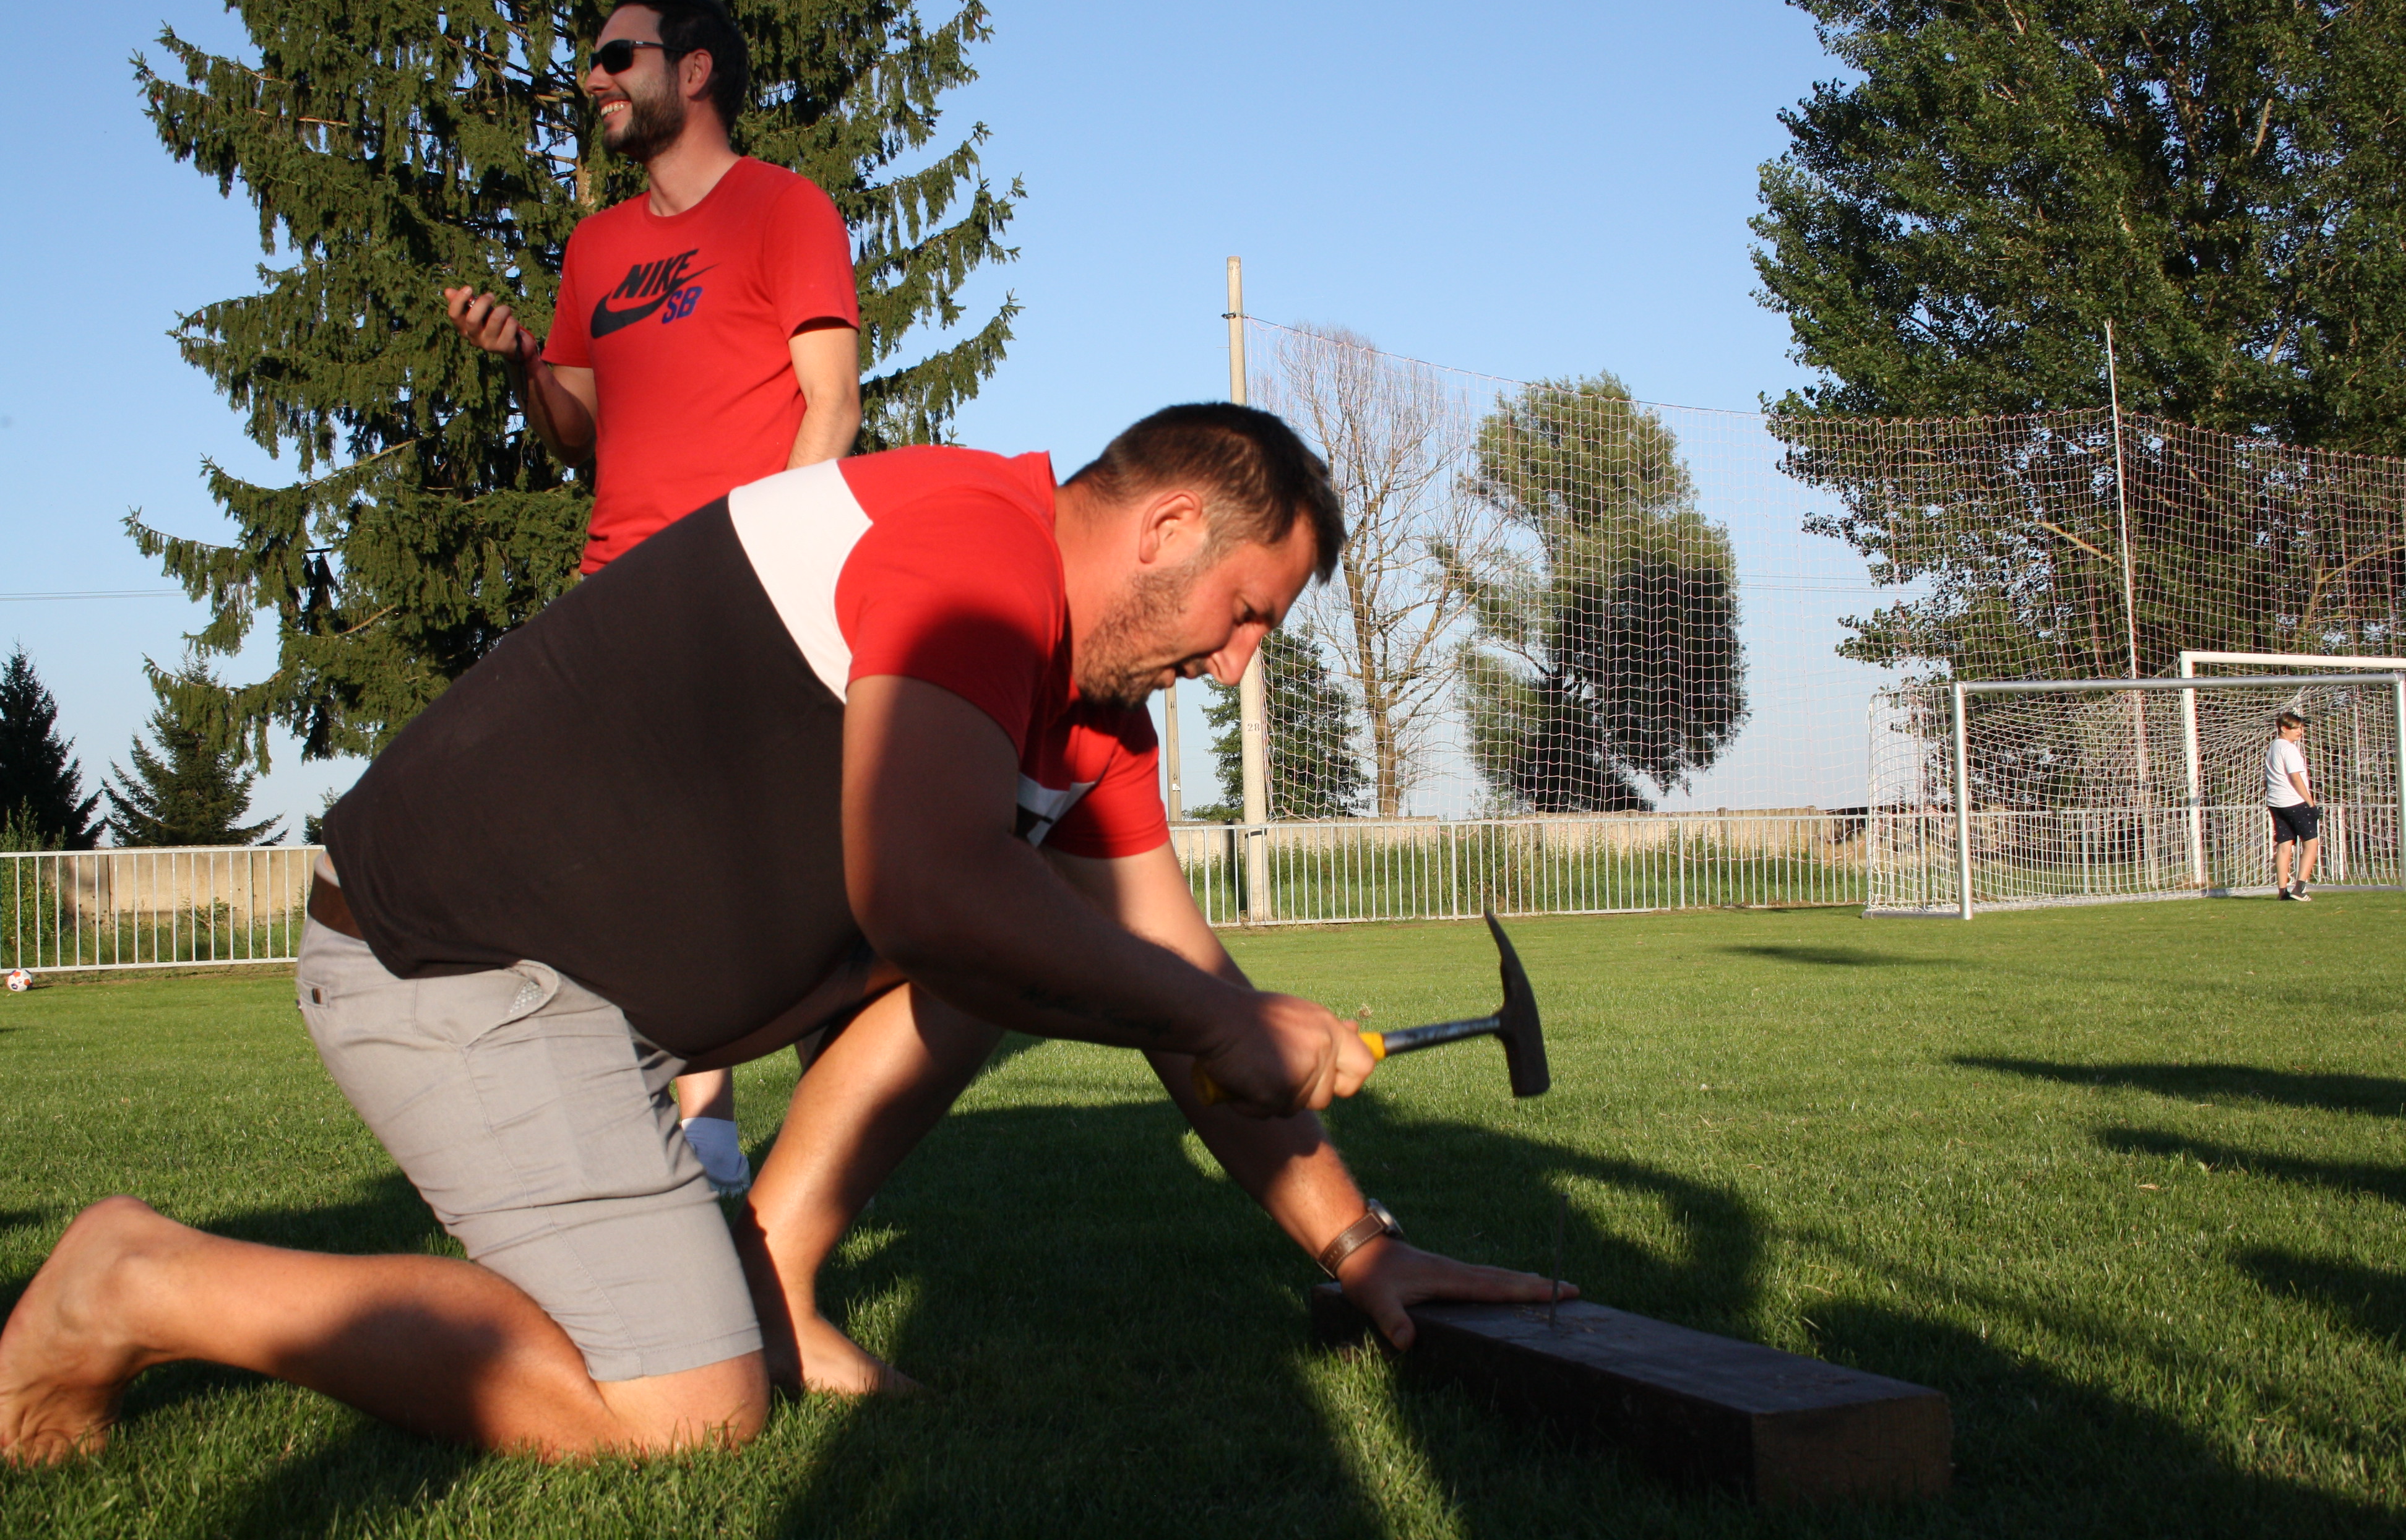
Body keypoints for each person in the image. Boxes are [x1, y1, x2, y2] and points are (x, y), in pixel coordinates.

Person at [0, 405, 1565, 1462]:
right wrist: (1208, 1014)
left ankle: (780, 1283)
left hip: (598, 997)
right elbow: (927, 892)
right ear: (1162, 525)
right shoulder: (972, 552)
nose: (1233, 670)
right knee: (682, 1411)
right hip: (452, 957)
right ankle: (137, 1285)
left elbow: (1182, 987)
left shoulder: (1087, 723)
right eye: (1243, 613)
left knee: (1036, 956)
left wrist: (1361, 1245)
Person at [444, 0, 865, 1195]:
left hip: (743, 573)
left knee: (745, 856)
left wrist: (765, 557)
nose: (593, 79)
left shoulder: (786, 210)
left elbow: (830, 402)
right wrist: (527, 357)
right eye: (590, 62)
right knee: (621, 852)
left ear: (694, 70)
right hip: (614, 585)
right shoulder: (596, 248)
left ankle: (742, 1120)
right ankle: (683, 1132)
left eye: (615, 57)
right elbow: (577, 433)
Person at [2266, 711, 2319, 901]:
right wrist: (2311, 803)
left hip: (2276, 802)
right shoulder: (2289, 749)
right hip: (2294, 801)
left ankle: (2282, 892)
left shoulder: (2273, 747)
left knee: (2284, 845)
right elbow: (2295, 777)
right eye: (2296, 728)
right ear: (2284, 729)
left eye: (2301, 727)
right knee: (2311, 843)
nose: (2300, 732)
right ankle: (2299, 888)